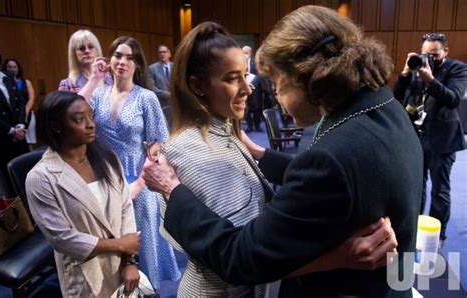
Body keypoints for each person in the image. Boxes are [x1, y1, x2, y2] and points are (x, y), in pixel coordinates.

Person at [143, 6, 423, 297]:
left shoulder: (331, 158)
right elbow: (340, 184)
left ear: (302, 76)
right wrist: (263, 156)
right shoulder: (384, 107)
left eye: (276, 85)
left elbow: (241, 259)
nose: (270, 95)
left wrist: (171, 187)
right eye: (231, 78)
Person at [25, 91, 140, 297]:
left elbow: (125, 208)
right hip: (85, 271)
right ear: (56, 126)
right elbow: (62, 238)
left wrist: (129, 261)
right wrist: (120, 245)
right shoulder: (41, 177)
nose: (90, 124)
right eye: (79, 119)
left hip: (122, 266)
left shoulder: (107, 157)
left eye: (91, 116)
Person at [90, 36, 180, 289]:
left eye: (130, 57)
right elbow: (75, 120)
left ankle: (148, 292)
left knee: (142, 245)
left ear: (138, 65)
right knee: (112, 243)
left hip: (138, 180)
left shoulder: (146, 98)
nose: (122, 62)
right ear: (110, 59)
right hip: (105, 178)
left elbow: (157, 146)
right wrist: (95, 78)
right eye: (118, 55)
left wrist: (139, 185)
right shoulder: (97, 95)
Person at [393, 33, 467, 244]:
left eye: (434, 54)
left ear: (446, 51)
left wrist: (430, 80)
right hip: (417, 137)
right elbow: (398, 96)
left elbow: (453, 99)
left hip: (442, 140)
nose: (430, 58)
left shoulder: (457, 69)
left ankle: (437, 236)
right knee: (418, 186)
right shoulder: (417, 68)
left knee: (439, 189)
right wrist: (406, 72)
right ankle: (415, 229)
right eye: (426, 54)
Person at [0, 39, 28, 176]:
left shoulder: (7, 76)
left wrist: (20, 125)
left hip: (19, 138)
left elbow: (19, 101)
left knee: (24, 175)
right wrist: (11, 131)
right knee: (5, 182)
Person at [58, 29, 113, 97]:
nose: (87, 51)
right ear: (74, 54)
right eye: (81, 48)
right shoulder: (67, 84)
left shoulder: (110, 78)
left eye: (90, 47)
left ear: (97, 49)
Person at [1, 58, 37, 147]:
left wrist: (25, 112)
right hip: (12, 117)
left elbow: (31, 98)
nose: (12, 69)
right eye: (9, 67)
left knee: (29, 142)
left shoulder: (26, 82)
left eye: (14, 67)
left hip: (27, 114)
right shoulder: (2, 84)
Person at [242, 45, 263, 132]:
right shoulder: (239, 63)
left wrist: (251, 84)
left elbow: (259, 75)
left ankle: (257, 126)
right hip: (243, 88)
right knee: (246, 108)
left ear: (250, 53)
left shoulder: (255, 63)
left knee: (257, 107)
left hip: (255, 89)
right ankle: (249, 126)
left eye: (246, 53)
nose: (245, 54)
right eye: (243, 53)